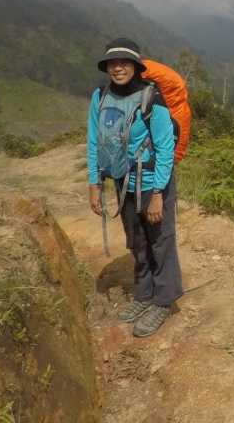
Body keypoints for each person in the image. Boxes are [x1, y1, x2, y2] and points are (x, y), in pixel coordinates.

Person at [87, 38, 183, 337]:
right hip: (122, 181)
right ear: (107, 68)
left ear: (135, 67)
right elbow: (93, 138)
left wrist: (157, 195)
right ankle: (144, 294)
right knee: (136, 240)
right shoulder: (100, 96)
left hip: (153, 182)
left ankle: (164, 301)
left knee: (160, 240)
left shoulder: (151, 99)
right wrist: (94, 181)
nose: (118, 68)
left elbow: (165, 148)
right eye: (113, 63)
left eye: (124, 63)